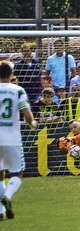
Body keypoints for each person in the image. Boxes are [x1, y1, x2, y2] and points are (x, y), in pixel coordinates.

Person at [0, 60, 38, 220]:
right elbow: (27, 114)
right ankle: (7, 197)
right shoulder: (18, 90)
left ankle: (1, 211)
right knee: (17, 173)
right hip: (12, 138)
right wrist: (32, 124)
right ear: (12, 74)